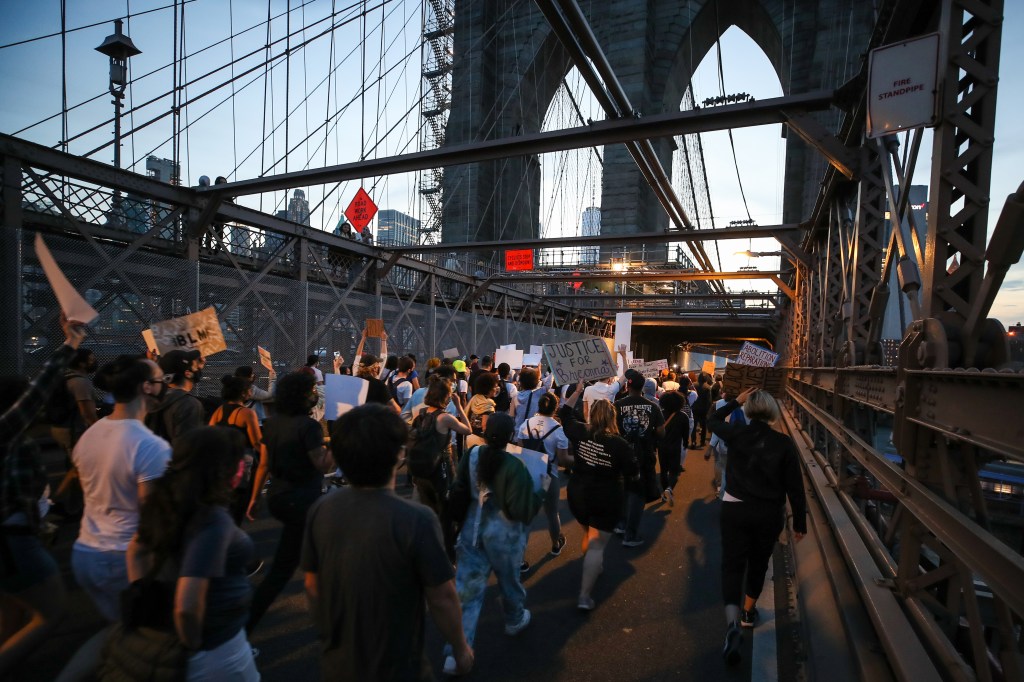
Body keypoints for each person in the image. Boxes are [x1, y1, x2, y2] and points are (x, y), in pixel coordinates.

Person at [303, 404, 473, 679]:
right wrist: (461, 648)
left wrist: (328, 633)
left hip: (338, 660)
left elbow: (313, 584)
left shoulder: (320, 510)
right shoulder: (416, 519)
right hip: (398, 661)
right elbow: (442, 597)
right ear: (399, 455)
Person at [125, 427, 259, 680]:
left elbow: (135, 552)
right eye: (240, 460)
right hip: (216, 648)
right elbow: (187, 606)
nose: (245, 465)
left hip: (190, 640)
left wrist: (144, 598)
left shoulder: (167, 498)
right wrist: (192, 645)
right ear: (223, 468)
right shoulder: (212, 519)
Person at [0, 316, 87, 678]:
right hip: (12, 540)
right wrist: (70, 344)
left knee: (13, 607)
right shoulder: (4, 432)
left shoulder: (11, 442)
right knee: (52, 613)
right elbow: (39, 391)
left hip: (11, 539)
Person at [709, 388, 807, 665]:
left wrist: (735, 402)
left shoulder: (737, 434)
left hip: (735, 509)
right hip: (767, 514)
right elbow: (795, 489)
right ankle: (748, 613)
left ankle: (731, 624)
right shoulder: (784, 444)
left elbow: (712, 420)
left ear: (749, 410)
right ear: (774, 411)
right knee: (758, 562)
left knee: (732, 564)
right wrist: (799, 522)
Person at [443, 414, 547, 674]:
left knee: (466, 593)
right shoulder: (515, 466)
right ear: (511, 437)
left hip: (471, 532)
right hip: (504, 538)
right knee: (509, 581)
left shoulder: (473, 454)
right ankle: (514, 618)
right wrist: (542, 490)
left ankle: (456, 654)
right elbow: (522, 509)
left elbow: (459, 487)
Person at [245, 371, 334, 634]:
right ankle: (242, 630)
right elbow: (322, 464)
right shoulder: (309, 427)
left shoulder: (272, 423)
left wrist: (253, 498)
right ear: (303, 395)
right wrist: (337, 446)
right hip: (304, 501)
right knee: (284, 570)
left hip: (279, 497)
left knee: (304, 562)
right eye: (311, 390)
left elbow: (262, 464)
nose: (314, 393)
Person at [559, 389, 636, 610]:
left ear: (591, 415)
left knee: (589, 534)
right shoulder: (619, 444)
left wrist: (579, 388)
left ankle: (594, 563)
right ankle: (584, 596)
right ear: (613, 418)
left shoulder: (581, 431)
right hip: (606, 496)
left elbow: (564, 412)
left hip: (578, 493)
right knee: (595, 546)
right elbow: (632, 471)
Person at [408, 377, 472, 561]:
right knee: (445, 512)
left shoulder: (420, 414)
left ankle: (423, 547)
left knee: (426, 506)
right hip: (442, 468)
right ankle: (447, 555)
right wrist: (459, 406)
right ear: (446, 396)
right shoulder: (445, 418)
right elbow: (467, 430)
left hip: (422, 469)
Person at [517, 393, 570, 562]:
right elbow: (563, 459)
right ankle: (555, 544)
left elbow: (520, 450)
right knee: (552, 513)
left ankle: (521, 559)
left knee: (526, 517)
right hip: (549, 475)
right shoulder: (558, 429)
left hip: (528, 475)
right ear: (555, 408)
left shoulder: (525, 424)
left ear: (539, 406)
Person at [614, 372, 665, 547]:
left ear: (627, 386)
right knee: (638, 494)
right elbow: (661, 432)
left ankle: (620, 524)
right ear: (643, 387)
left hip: (620, 453)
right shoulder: (653, 407)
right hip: (644, 455)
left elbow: (611, 429)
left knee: (622, 488)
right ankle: (631, 534)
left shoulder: (617, 405)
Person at [209, 376, 263, 525]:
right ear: (243, 393)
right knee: (238, 504)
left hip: (221, 464)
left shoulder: (219, 411)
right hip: (242, 466)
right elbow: (257, 443)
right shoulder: (246, 413)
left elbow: (210, 435)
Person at [146, 349, 206, 446]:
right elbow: (187, 448)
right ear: (187, 373)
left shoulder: (153, 399)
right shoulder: (189, 404)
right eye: (194, 366)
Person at [657, 381, 691, 505]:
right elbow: (685, 434)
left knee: (663, 470)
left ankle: (664, 493)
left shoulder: (660, 414)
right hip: (675, 447)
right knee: (674, 471)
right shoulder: (683, 416)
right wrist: (686, 443)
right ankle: (669, 489)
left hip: (662, 447)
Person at [690, 372, 712, 448]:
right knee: (704, 426)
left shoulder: (693, 385)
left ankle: (693, 442)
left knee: (694, 426)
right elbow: (709, 401)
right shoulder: (708, 387)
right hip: (703, 409)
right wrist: (708, 410)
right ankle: (702, 442)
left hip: (694, 408)